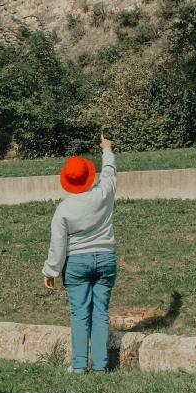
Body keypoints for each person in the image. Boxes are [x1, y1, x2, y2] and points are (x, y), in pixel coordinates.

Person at [42, 133, 117, 373]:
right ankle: (100, 366)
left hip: (76, 263)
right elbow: (109, 173)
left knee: (79, 314)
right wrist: (107, 149)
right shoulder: (103, 194)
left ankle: (78, 365)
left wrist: (51, 270)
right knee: (101, 312)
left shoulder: (64, 209)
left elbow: (58, 243)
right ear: (88, 176)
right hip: (105, 258)